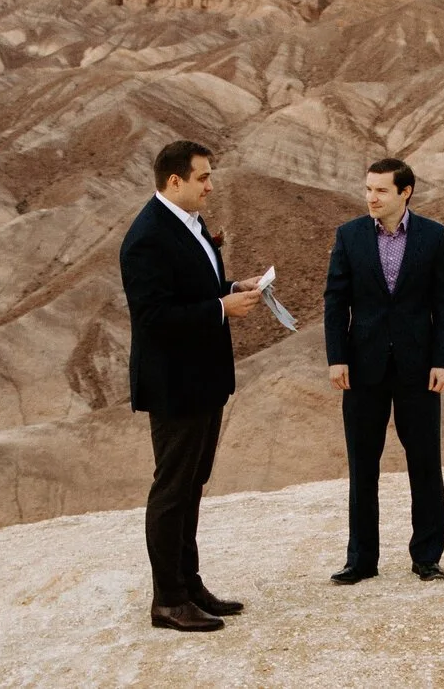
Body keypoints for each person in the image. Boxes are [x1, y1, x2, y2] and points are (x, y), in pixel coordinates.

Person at [120, 139, 266, 632]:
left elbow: (193, 292)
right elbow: (154, 318)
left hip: (204, 378)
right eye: (203, 177)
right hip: (174, 384)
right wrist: (219, 311)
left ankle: (189, 583)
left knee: (192, 486)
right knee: (172, 489)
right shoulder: (147, 237)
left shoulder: (191, 224)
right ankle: (167, 601)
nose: (211, 185)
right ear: (174, 180)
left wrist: (230, 289)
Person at [321, 157, 444, 584]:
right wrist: (336, 356)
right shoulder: (349, 235)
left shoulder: (434, 236)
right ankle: (361, 560)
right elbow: (334, 300)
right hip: (362, 368)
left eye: (381, 190)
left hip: (420, 369)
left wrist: (443, 360)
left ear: (405, 192)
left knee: (425, 462)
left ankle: (427, 556)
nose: (371, 198)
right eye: (368, 189)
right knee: (363, 464)